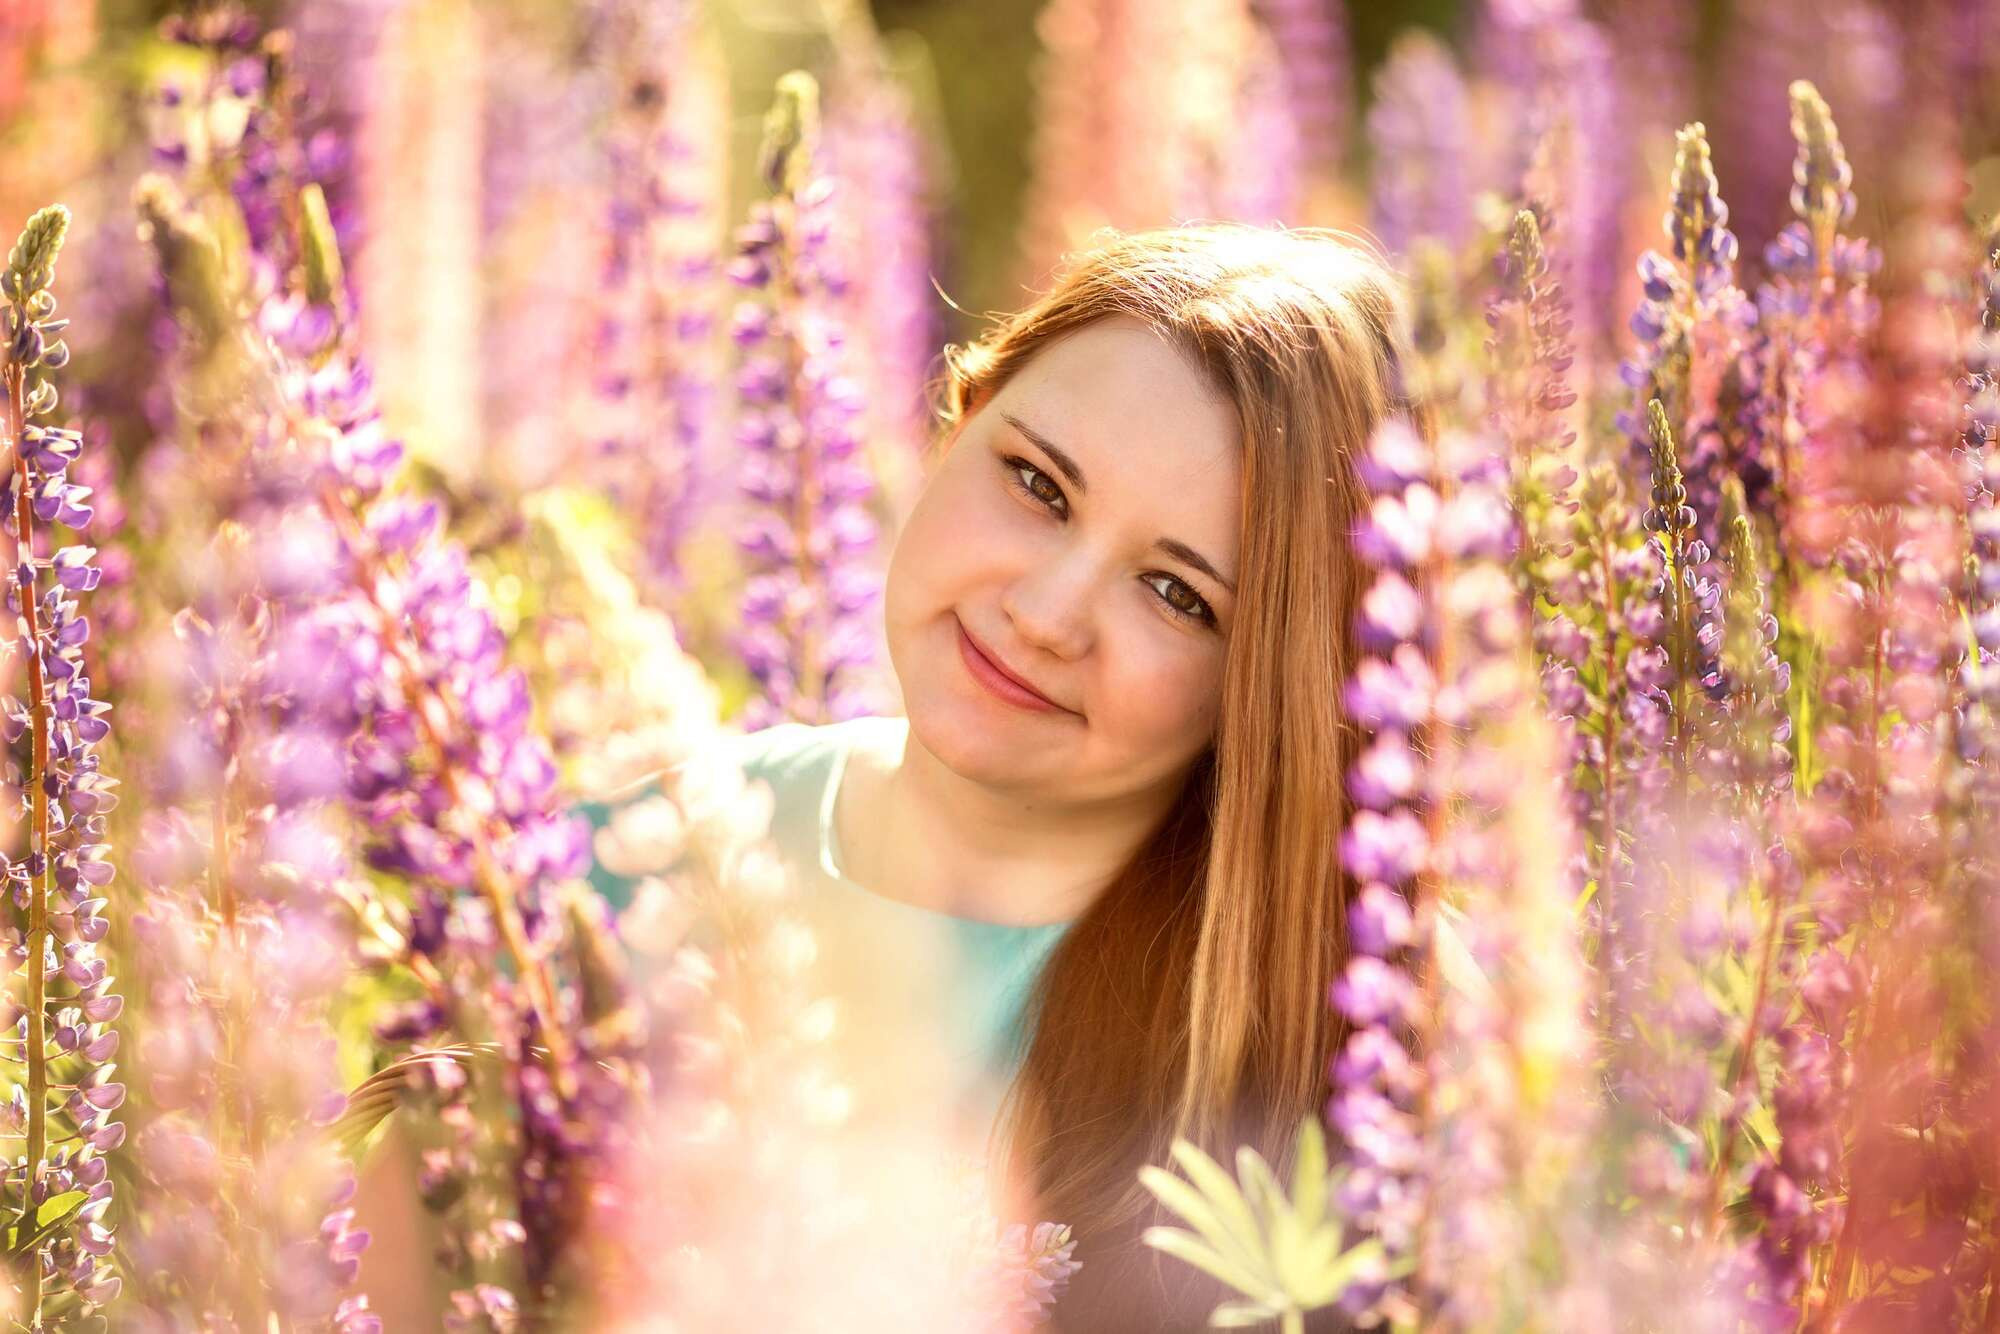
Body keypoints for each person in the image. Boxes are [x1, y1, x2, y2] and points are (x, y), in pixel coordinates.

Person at [588, 221, 1416, 1331]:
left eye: (1175, 594)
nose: (1045, 613)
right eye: (1037, 482)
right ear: (954, 423)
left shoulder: (1327, 1058)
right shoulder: (615, 861)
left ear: (1259, 695)